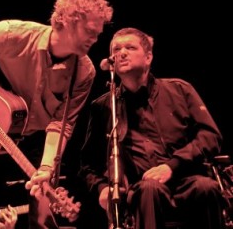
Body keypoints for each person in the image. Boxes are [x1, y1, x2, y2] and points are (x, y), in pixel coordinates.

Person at [0, 0, 113, 229]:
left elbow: (61, 125)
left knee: (43, 220)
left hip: (37, 143)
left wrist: (45, 168)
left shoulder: (84, 72)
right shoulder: (17, 34)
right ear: (65, 21)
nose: (95, 39)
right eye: (89, 31)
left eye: (97, 34)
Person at [79, 27, 226, 229]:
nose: (121, 53)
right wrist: (102, 188)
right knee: (150, 189)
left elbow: (210, 136)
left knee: (206, 187)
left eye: (130, 47)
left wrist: (171, 166)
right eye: (116, 49)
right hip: (141, 188)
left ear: (148, 57)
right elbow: (88, 164)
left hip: (186, 178)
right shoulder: (104, 106)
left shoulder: (179, 90)